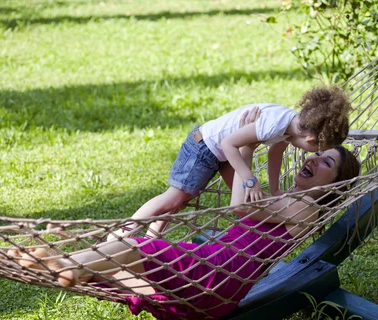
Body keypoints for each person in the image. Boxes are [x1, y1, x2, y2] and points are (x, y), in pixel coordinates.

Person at [0, 145, 361, 320]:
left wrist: (239, 153)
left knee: (130, 246)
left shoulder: (306, 210)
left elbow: (240, 206)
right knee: (118, 258)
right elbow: (246, 181)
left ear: (335, 185)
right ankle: (58, 265)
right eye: (315, 153)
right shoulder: (286, 199)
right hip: (197, 292)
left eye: (325, 162)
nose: (312, 160)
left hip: (212, 278)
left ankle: (61, 261)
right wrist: (239, 142)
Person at [121, 86, 351, 238]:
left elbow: (275, 155)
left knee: (247, 202)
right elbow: (230, 143)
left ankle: (150, 243)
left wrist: (274, 189)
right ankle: (124, 233)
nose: (311, 155)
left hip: (225, 153)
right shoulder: (273, 125)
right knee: (173, 199)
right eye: (318, 150)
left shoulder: (289, 129)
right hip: (207, 147)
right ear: (311, 139)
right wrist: (250, 179)